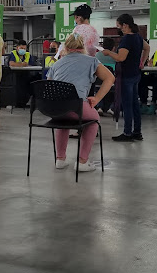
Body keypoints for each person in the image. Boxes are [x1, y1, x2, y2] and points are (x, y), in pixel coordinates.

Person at [47, 33, 114, 173]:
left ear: (65, 47)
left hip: (55, 109)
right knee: (94, 119)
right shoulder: (91, 61)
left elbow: (49, 87)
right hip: (76, 107)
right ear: (82, 46)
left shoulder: (57, 63)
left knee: (62, 120)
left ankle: (60, 159)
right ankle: (82, 161)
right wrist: (96, 99)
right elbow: (110, 78)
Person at [104, 13, 150, 142]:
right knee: (135, 104)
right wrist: (142, 62)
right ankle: (137, 131)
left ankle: (127, 132)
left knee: (127, 104)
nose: (119, 29)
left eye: (119, 26)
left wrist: (108, 52)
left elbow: (120, 58)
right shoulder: (138, 37)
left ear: (125, 25)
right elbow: (147, 48)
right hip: (135, 74)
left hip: (126, 75)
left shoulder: (126, 39)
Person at [9, 40, 37, 108]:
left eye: (24, 49)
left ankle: (27, 101)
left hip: (26, 74)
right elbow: (11, 63)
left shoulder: (28, 54)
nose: (23, 50)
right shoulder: (13, 53)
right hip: (15, 74)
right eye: (21, 48)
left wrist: (25, 65)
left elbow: (31, 65)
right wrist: (21, 64)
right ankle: (18, 102)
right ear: (17, 47)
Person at [95, 37, 116, 115]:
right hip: (111, 82)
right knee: (118, 91)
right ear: (113, 47)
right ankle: (112, 107)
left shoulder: (97, 55)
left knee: (98, 90)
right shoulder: (114, 56)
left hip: (98, 81)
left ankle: (99, 107)